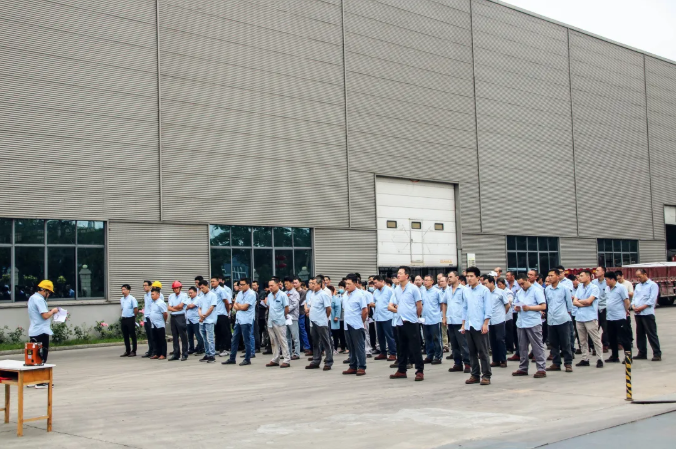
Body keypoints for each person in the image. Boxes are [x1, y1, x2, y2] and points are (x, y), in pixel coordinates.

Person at [389, 266, 424, 381]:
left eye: (400, 273)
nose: (398, 275)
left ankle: (419, 371)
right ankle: (401, 370)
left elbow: (419, 306)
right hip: (400, 321)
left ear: (407, 276)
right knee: (401, 347)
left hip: (411, 322)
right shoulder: (396, 289)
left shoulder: (414, 289)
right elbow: (393, 304)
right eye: (398, 273)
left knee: (415, 347)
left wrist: (415, 317)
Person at [460, 267, 492, 385]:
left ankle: (486, 375)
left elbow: (488, 308)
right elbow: (464, 308)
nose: (469, 278)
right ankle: (475, 374)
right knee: (471, 352)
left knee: (483, 352)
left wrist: (485, 323)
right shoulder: (466, 291)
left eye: (471, 276)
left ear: (478, 278)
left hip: (480, 325)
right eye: (467, 276)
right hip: (469, 325)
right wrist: (463, 324)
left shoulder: (484, 290)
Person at [512, 274, 548, 378]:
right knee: (522, 346)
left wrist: (529, 308)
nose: (521, 286)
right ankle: (523, 367)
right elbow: (515, 304)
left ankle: (541, 368)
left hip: (533, 321)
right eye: (519, 284)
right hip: (521, 322)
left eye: (523, 283)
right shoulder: (519, 292)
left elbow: (543, 306)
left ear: (527, 280)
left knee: (537, 346)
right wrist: (516, 308)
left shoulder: (536, 291)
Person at [27, 280, 59, 388]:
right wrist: (53, 311)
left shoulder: (32, 298)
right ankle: (40, 382)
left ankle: (31, 380)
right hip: (41, 331)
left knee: (33, 357)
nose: (48, 295)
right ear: (44, 290)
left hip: (34, 331)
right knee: (41, 357)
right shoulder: (40, 299)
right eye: (49, 292)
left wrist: (49, 311)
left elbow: (40, 313)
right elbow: (45, 316)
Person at [573, 270, 604, 368]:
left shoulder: (594, 288)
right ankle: (585, 358)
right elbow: (574, 302)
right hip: (579, 317)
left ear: (588, 277)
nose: (580, 278)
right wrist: (583, 303)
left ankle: (600, 358)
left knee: (595, 339)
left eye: (582, 276)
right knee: (582, 340)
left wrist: (580, 302)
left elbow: (589, 301)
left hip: (590, 317)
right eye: (579, 276)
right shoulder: (579, 288)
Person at [222, 278, 257, 366]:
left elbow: (245, 307)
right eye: (240, 284)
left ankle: (247, 359)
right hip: (238, 319)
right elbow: (235, 305)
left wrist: (239, 306)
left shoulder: (251, 294)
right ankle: (232, 358)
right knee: (234, 339)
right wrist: (239, 306)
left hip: (246, 320)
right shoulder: (240, 293)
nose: (240, 286)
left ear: (248, 285)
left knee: (246, 340)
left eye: (242, 284)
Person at [544, 269, 573, 373]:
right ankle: (556, 363)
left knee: (565, 343)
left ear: (557, 276)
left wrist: (567, 314)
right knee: (553, 343)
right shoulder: (547, 289)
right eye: (549, 276)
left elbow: (569, 305)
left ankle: (568, 363)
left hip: (562, 319)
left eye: (552, 275)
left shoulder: (564, 289)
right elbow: (547, 304)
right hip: (551, 320)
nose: (549, 277)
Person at [442, 271, 471, 373]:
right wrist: (444, 317)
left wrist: (465, 321)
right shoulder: (448, 290)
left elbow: (467, 305)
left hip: (460, 320)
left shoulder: (464, 290)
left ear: (457, 277)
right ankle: (457, 363)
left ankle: (467, 363)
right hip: (451, 320)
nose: (449, 279)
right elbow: (444, 303)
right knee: (454, 344)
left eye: (450, 277)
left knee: (463, 343)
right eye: (448, 277)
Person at [632, 269, 661, 361]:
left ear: (645, 274)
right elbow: (634, 298)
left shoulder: (652, 285)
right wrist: (633, 306)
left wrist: (641, 308)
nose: (638, 279)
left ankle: (657, 353)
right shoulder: (638, 286)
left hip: (647, 313)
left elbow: (652, 300)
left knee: (651, 334)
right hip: (638, 313)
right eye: (637, 277)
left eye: (639, 276)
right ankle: (642, 353)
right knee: (640, 334)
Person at [305, 276, 333, 371]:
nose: (312, 285)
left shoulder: (324, 294)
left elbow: (328, 309)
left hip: (321, 322)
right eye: (311, 283)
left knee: (325, 342)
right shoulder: (313, 294)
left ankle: (328, 361)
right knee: (315, 342)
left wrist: (325, 318)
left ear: (319, 284)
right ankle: (316, 360)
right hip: (313, 321)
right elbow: (310, 305)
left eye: (314, 283)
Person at [343, 273, 368, 376]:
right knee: (351, 346)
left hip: (356, 324)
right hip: (347, 324)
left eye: (349, 284)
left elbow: (365, 311)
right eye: (346, 284)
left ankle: (361, 366)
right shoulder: (345, 295)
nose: (347, 286)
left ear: (355, 283)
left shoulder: (360, 295)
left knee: (359, 347)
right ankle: (353, 366)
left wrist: (361, 321)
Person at [604, 271, 632, 363]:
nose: (606, 282)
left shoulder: (621, 288)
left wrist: (626, 311)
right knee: (612, 338)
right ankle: (614, 356)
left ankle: (628, 357)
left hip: (619, 317)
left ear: (612, 279)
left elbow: (626, 301)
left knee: (624, 339)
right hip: (610, 317)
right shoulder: (607, 289)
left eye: (607, 280)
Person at [265, 277, 291, 368]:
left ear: (278, 285)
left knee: (282, 340)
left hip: (280, 321)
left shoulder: (283, 295)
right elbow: (269, 306)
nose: (270, 287)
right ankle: (275, 359)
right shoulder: (269, 295)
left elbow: (286, 308)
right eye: (269, 286)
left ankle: (286, 359)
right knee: (273, 341)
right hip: (271, 321)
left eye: (272, 285)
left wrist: (282, 316)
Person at [484, 275, 509, 368]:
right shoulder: (485, 293)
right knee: (492, 340)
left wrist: (503, 314)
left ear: (491, 282)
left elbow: (507, 305)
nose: (485, 285)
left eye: (486, 283)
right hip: (490, 320)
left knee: (500, 339)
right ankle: (495, 360)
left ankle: (503, 359)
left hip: (499, 319)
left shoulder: (501, 292)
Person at [373, 275, 396, 361]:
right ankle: (383, 352)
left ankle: (393, 353)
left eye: (376, 283)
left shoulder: (390, 290)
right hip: (378, 317)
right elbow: (374, 302)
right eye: (374, 283)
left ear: (382, 281)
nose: (375, 285)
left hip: (387, 316)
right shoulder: (375, 292)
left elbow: (394, 302)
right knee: (380, 336)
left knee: (389, 336)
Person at [421, 275, 443, 365]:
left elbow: (441, 305)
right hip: (425, 319)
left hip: (435, 319)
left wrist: (438, 314)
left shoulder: (437, 292)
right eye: (424, 280)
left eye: (427, 280)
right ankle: (429, 355)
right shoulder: (422, 292)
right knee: (427, 338)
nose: (425, 282)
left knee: (436, 338)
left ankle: (438, 356)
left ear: (432, 281)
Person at [167, 281, 189, 361]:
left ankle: (184, 354)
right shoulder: (171, 296)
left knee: (183, 336)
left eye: (177, 288)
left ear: (180, 288)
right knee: (175, 336)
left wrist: (173, 308)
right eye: (174, 288)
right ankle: (176, 353)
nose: (176, 289)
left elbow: (181, 306)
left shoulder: (184, 295)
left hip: (181, 316)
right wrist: (176, 309)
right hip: (173, 316)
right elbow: (169, 307)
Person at [197, 280, 217, 363]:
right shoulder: (201, 297)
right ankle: (207, 353)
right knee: (204, 338)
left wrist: (204, 316)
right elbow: (199, 308)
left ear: (207, 286)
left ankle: (212, 355)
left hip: (210, 320)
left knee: (210, 338)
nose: (202, 289)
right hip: (202, 321)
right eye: (200, 288)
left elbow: (211, 308)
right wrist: (201, 315)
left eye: (203, 287)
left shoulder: (213, 295)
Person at [212, 277, 232, 357]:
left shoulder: (221, 290)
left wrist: (227, 312)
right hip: (215, 314)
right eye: (211, 281)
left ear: (218, 282)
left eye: (214, 281)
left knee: (224, 332)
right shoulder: (212, 291)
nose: (212, 283)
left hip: (222, 314)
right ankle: (218, 348)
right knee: (217, 332)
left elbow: (226, 302)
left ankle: (226, 349)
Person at [284, 277, 302, 360]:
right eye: (285, 284)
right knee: (287, 337)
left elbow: (294, 304)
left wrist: (286, 310)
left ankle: (297, 353)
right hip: (285, 317)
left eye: (287, 284)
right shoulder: (284, 293)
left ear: (291, 283)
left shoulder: (295, 293)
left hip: (293, 317)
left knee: (295, 336)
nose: (286, 285)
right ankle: (288, 353)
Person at [592, 267, 609, 352]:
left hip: (605, 307)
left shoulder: (607, 282)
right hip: (595, 308)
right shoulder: (593, 282)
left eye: (598, 270)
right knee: (594, 328)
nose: (596, 272)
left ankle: (605, 345)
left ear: (603, 272)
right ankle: (595, 346)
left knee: (606, 328)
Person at [149, 287, 168, 360]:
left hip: (160, 324)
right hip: (153, 324)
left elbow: (165, 314)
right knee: (155, 339)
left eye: (153, 294)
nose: (152, 296)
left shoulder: (161, 303)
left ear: (158, 294)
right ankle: (157, 353)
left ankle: (163, 354)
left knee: (161, 339)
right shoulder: (153, 303)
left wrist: (163, 321)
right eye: (151, 294)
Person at [119, 284, 138, 357]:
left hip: (130, 318)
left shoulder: (132, 299)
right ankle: (127, 350)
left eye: (124, 289)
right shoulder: (122, 299)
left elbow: (135, 309)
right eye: (122, 289)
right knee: (125, 335)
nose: (122, 291)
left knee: (132, 335)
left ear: (128, 290)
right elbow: (122, 309)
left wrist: (133, 316)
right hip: (124, 318)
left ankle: (134, 351)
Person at [294, 277, 311, 356]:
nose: (294, 284)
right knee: (296, 330)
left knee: (302, 329)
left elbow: (299, 302)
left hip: (301, 313)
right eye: (293, 283)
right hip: (294, 314)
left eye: (296, 283)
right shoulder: (293, 292)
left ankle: (306, 346)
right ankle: (300, 346)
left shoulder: (303, 292)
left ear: (300, 283)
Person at [185, 286, 204, 355]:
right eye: (189, 293)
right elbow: (185, 307)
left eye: (191, 293)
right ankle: (191, 349)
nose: (190, 294)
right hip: (188, 320)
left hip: (196, 320)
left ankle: (200, 348)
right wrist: (188, 306)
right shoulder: (188, 299)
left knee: (198, 335)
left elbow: (191, 306)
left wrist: (188, 306)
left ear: (196, 292)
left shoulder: (198, 299)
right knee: (190, 336)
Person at [141, 280, 155, 358]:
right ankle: (150, 350)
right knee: (149, 335)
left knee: (152, 335)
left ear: (150, 286)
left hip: (151, 317)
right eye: (143, 285)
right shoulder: (145, 295)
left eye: (146, 285)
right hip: (146, 317)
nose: (144, 287)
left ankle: (154, 351)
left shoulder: (152, 295)